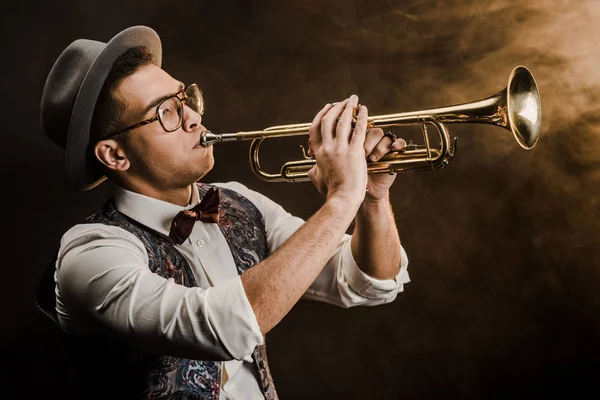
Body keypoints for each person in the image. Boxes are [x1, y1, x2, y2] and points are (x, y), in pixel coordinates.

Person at [36, 25, 410, 400]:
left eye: (185, 99)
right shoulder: (90, 254)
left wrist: (370, 200)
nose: (193, 119)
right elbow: (223, 328)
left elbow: (365, 283)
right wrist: (342, 198)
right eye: (166, 112)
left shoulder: (239, 201)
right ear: (115, 155)